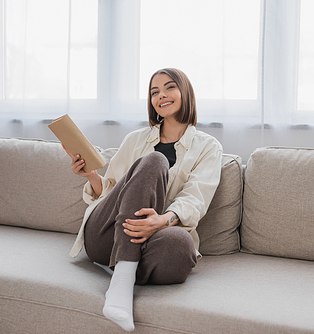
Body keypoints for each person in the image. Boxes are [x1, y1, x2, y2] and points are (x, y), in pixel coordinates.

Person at [64, 68, 223, 332]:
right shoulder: (135, 139)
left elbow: (195, 199)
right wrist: (91, 175)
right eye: (154, 92)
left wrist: (162, 221)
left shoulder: (208, 147)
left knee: (182, 246)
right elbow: (110, 190)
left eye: (169, 88)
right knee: (155, 160)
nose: (162, 95)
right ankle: (123, 281)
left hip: (152, 238)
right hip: (105, 235)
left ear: (186, 92)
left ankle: (118, 266)